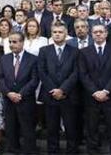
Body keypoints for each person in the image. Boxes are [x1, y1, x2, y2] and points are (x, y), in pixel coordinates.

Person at [78, 24, 111, 155]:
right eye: (95, 32)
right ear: (91, 34)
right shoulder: (84, 52)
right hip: (91, 97)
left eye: (101, 32)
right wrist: (95, 91)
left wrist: (106, 91)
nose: (98, 34)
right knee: (91, 128)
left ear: (106, 34)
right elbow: (83, 74)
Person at [38, 21, 79, 154]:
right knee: (51, 127)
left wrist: (63, 90)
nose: (57, 34)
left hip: (68, 95)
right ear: (51, 34)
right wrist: (54, 90)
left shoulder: (74, 51)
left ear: (66, 33)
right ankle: (53, 151)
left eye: (60, 32)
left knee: (71, 127)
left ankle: (72, 151)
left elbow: (76, 72)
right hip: (50, 95)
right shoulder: (44, 50)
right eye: (54, 32)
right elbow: (42, 72)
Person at [0, 31, 39, 154]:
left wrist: (21, 94)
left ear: (22, 42)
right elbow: (0, 78)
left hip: (25, 99)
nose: (11, 44)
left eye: (14, 42)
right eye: (10, 42)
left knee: (27, 128)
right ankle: (13, 149)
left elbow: (35, 79)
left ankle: (29, 150)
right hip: (9, 99)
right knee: (10, 127)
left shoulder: (33, 59)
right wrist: (8, 93)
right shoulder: (4, 58)